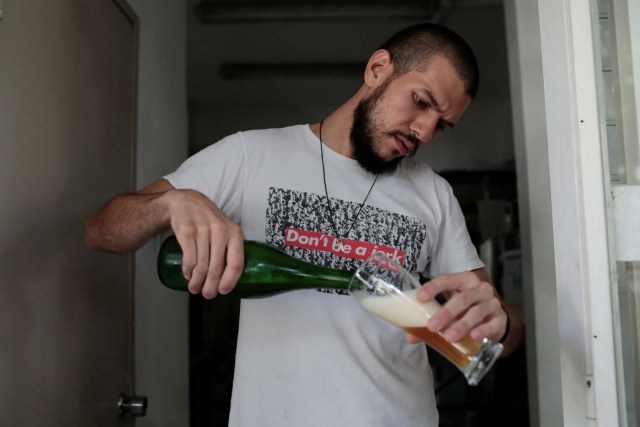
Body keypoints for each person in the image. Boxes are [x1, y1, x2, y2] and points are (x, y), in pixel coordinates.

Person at [85, 23, 523, 427]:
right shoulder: (249, 156)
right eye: (422, 102)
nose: (425, 131)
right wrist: (173, 203)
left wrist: (499, 323)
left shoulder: (434, 194)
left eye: (441, 125)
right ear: (377, 69)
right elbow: (102, 231)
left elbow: (502, 335)